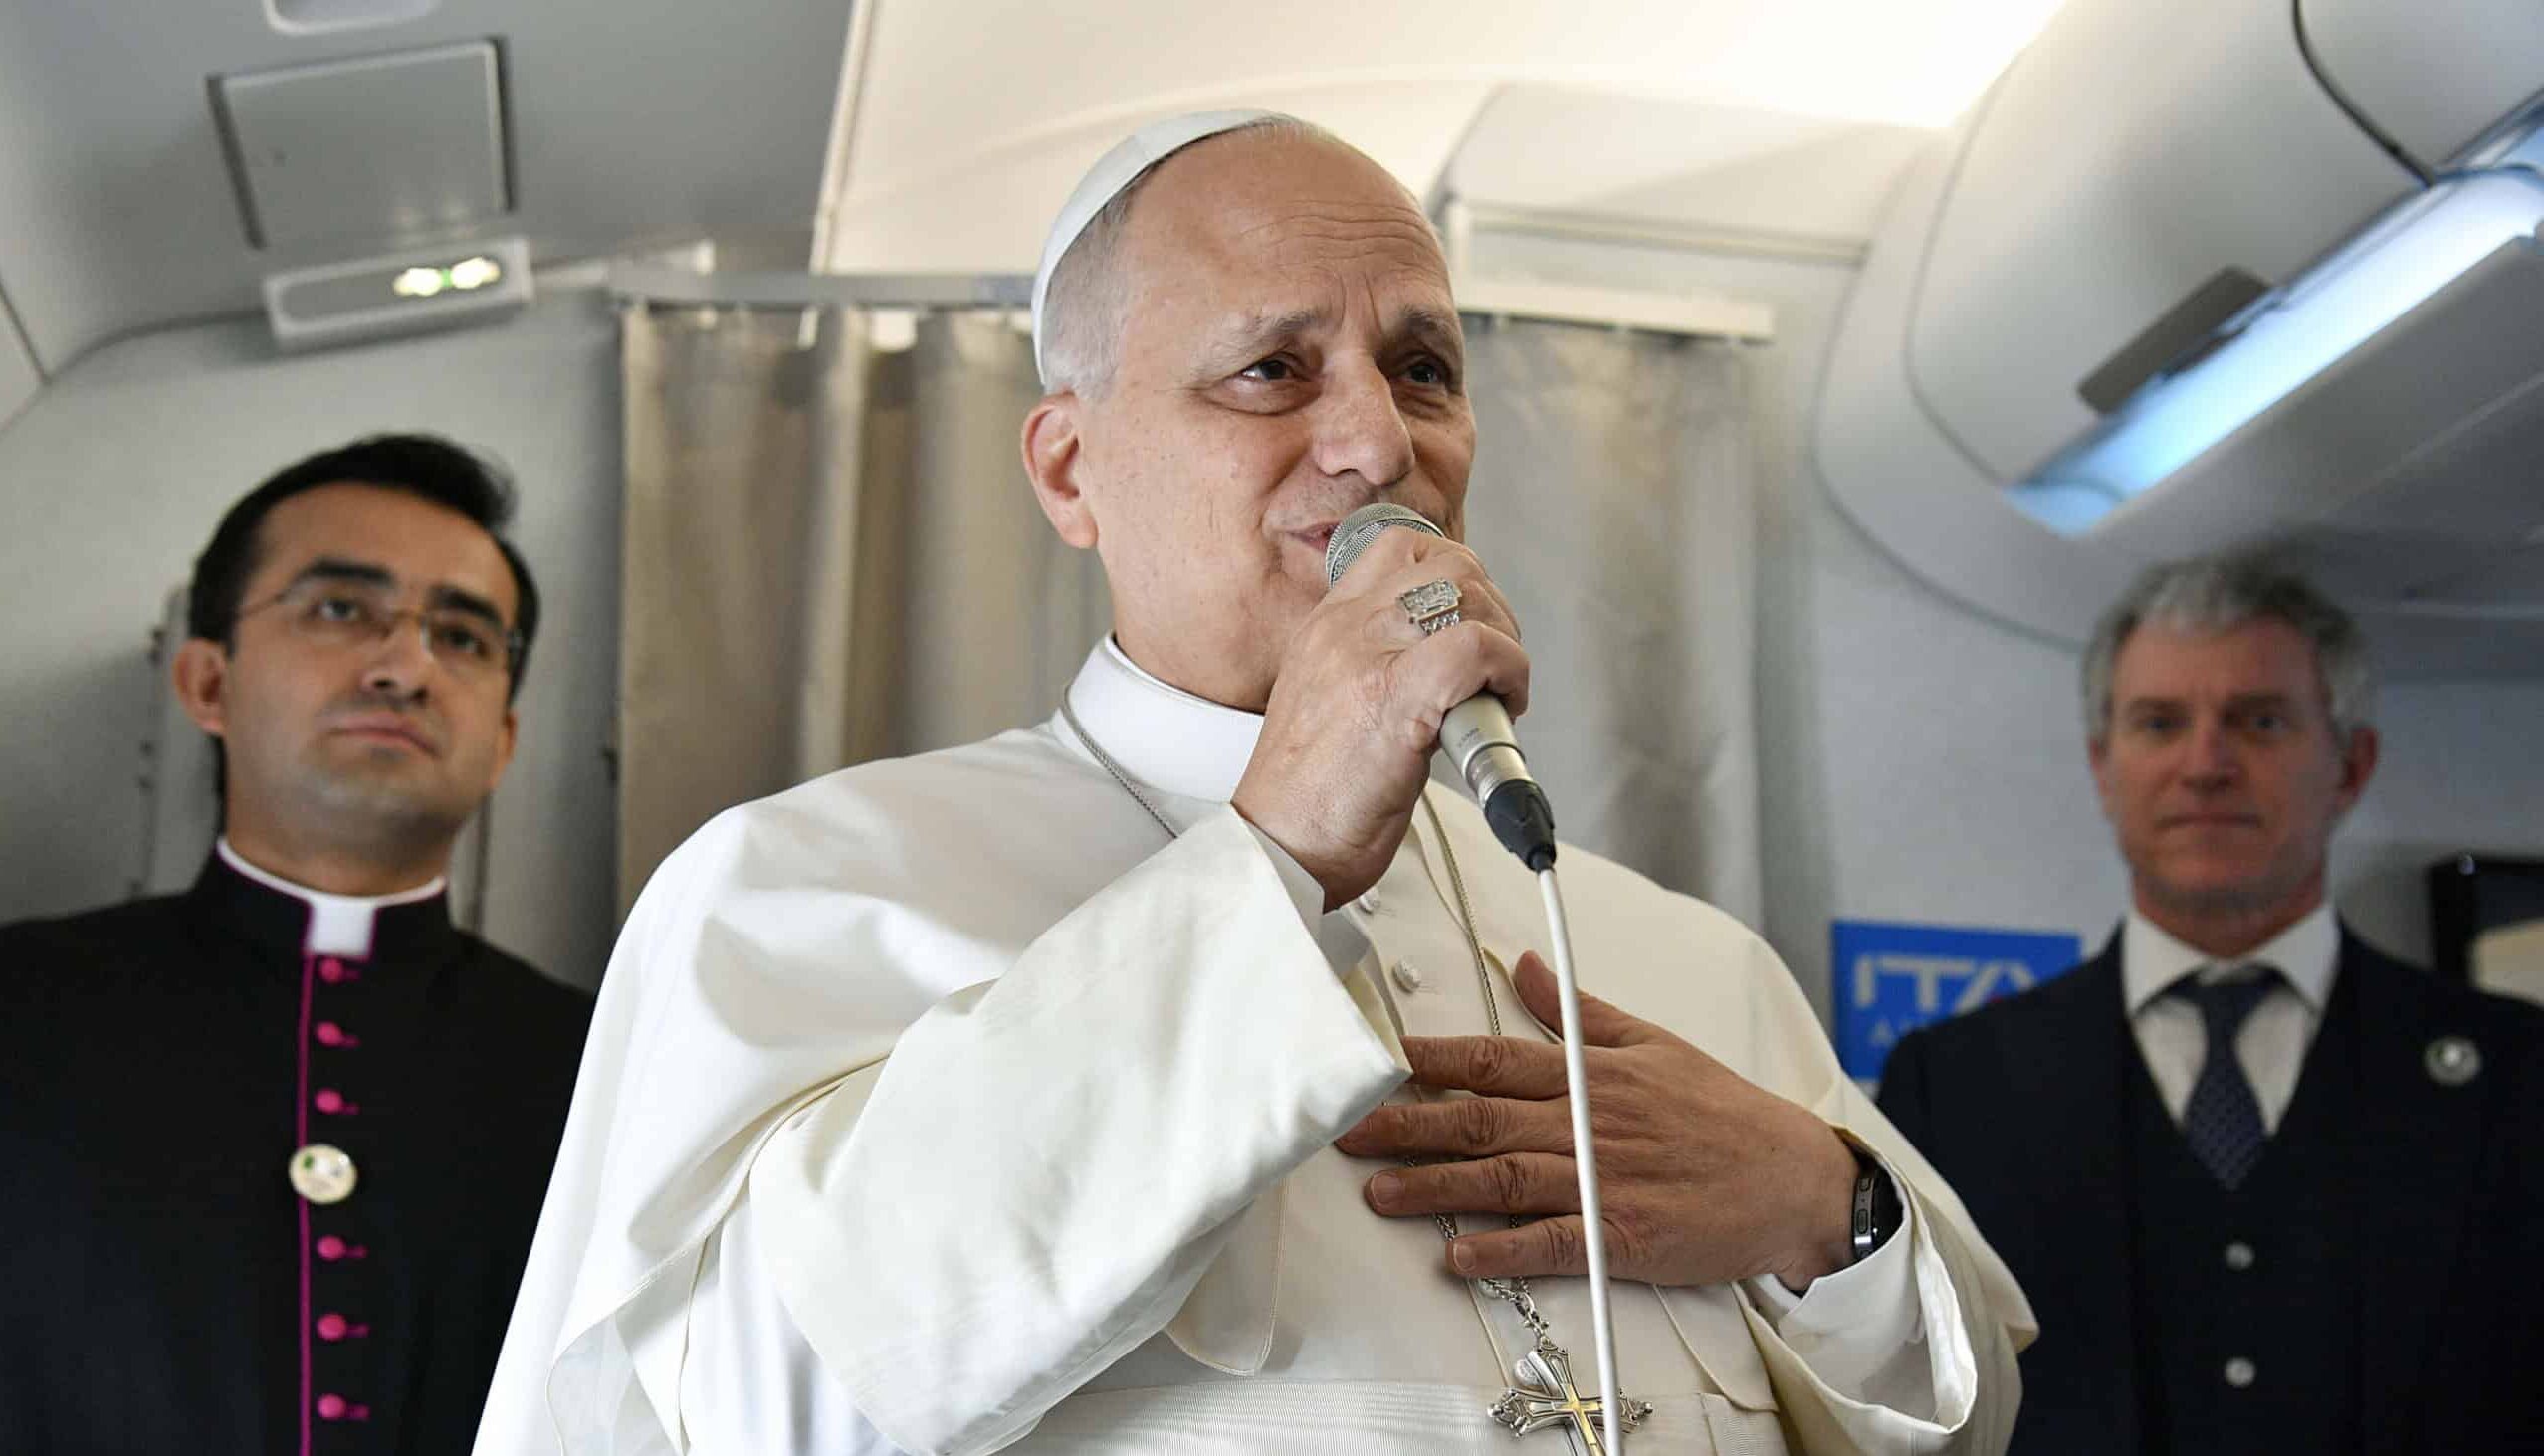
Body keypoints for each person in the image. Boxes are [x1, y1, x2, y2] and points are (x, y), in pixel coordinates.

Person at [475, 113, 2030, 1456]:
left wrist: (1828, 1207)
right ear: (1069, 468)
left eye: (1422, 368)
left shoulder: (1683, 957)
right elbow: (752, 1405)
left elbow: (1976, 1411)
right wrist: (1272, 853)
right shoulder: (806, 885)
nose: (1378, 443)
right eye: (1272, 370)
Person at [0, 435, 594, 1454]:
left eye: (461, 636)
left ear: (501, 739)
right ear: (208, 682)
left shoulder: (599, 1061)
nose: (406, 667)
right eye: (341, 609)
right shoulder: (21, 1002)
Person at [1878, 554, 2544, 1454]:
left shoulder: (2518, 1076)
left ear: (2351, 766)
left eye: (2259, 720)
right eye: (2160, 723)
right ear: (2104, 767)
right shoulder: (1953, 1087)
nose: (2205, 764)